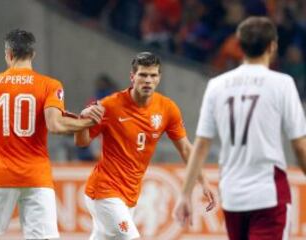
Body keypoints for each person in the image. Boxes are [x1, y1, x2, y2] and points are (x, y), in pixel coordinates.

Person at [173, 16, 306, 240]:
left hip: (233, 193)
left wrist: (185, 194)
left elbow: (202, 145)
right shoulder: (282, 83)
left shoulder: (217, 86)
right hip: (268, 193)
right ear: (272, 46)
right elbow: (300, 146)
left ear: (239, 45)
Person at [0, 29, 104, 240]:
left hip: (0, 172)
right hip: (36, 174)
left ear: (8, 54)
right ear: (33, 54)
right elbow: (55, 125)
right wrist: (89, 121)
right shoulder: (50, 85)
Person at [75, 52, 216, 240]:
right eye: (143, 75)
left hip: (130, 195)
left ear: (159, 78)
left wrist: (203, 181)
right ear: (132, 77)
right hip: (104, 191)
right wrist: (82, 120)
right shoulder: (109, 106)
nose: (148, 80)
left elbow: (185, 149)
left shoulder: (167, 108)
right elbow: (82, 142)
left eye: (153, 75)